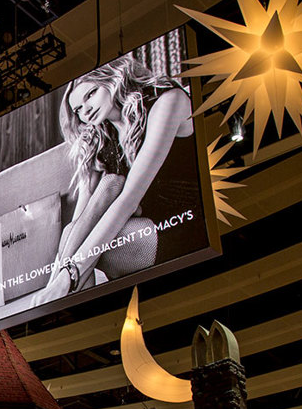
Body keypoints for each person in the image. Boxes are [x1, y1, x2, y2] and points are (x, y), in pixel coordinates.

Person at [32, 54, 194, 305]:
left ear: (111, 79)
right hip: (140, 224)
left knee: (98, 239)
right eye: (78, 109)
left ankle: (64, 295)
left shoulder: (167, 102)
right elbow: (79, 221)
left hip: (179, 225)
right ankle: (64, 294)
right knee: (109, 184)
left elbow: (129, 200)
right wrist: (60, 273)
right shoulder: (101, 135)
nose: (85, 110)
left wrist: (69, 275)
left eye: (90, 94)